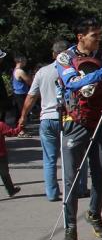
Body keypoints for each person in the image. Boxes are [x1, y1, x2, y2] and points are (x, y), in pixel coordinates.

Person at [56, 17, 102, 240]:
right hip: (75, 122)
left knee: (101, 173)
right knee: (72, 179)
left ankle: (94, 213)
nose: (98, 39)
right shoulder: (66, 58)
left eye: (99, 35)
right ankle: (70, 228)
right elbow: (72, 83)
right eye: (94, 35)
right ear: (80, 37)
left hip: (100, 121)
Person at [18, 40, 70, 201]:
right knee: (73, 156)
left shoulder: (42, 72)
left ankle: (52, 193)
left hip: (47, 119)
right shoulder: (72, 70)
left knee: (49, 159)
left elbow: (31, 96)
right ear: (68, 54)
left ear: (53, 54)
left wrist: (23, 116)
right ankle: (77, 188)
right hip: (68, 118)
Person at [0, 117, 23, 197]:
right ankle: (11, 190)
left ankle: (11, 190)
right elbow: (11, 132)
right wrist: (20, 127)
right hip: (1, 155)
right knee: (5, 174)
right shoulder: (0, 125)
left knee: (5, 174)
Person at [12, 56, 32, 132]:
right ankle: (21, 130)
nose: (26, 62)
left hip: (17, 93)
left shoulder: (15, 70)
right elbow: (29, 81)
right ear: (20, 61)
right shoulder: (20, 71)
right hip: (21, 94)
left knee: (19, 112)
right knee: (22, 113)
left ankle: (19, 129)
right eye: (25, 60)